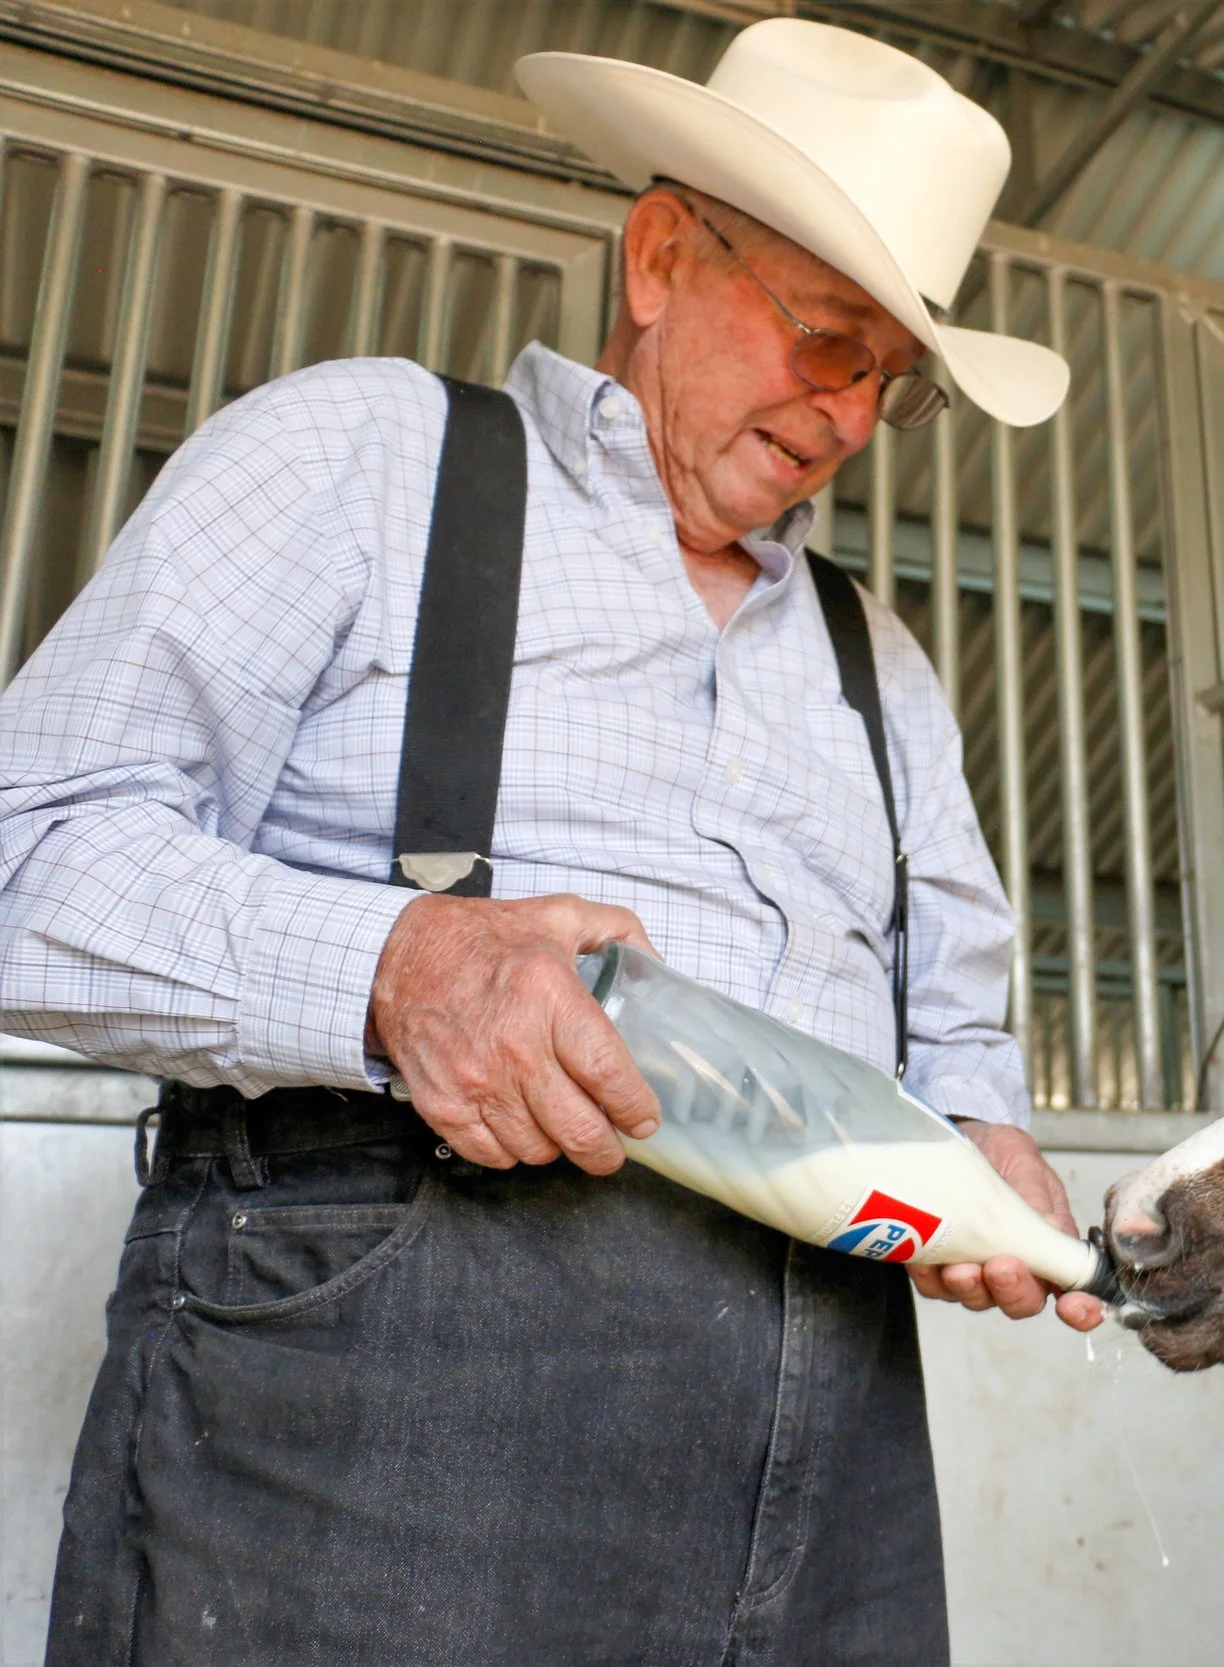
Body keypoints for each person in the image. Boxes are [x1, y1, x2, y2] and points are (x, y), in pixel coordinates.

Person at [5, 20, 1096, 1665]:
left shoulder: (888, 663)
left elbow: (956, 1023)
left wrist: (979, 1146)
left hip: (837, 1429)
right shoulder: (360, 458)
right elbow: (32, 855)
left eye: (892, 377)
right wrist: (395, 968)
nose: (852, 412)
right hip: (382, 1402)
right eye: (823, 337)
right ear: (662, 254)